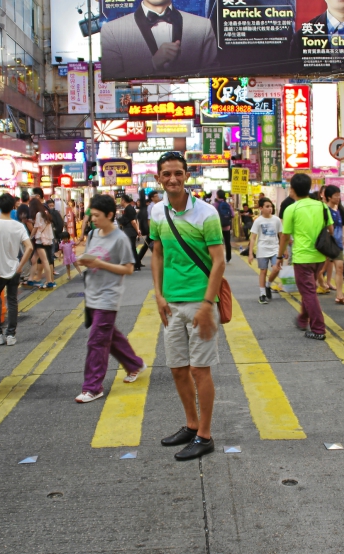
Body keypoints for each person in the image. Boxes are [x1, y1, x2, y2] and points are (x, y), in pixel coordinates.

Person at [150, 151, 224, 461]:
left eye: (178, 173)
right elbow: (157, 253)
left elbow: (219, 261)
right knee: (178, 369)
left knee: (199, 370)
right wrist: (157, 293)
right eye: (166, 174)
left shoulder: (206, 213)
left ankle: (205, 435)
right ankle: (191, 425)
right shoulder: (156, 212)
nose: (173, 179)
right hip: (171, 303)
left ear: (187, 176)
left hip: (199, 301)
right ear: (158, 178)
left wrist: (208, 304)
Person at [75, 195, 147, 403]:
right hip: (92, 294)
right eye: (91, 215)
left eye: (97, 215)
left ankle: (92, 387)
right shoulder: (93, 235)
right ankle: (134, 364)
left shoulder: (120, 239)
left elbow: (128, 268)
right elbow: (91, 258)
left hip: (108, 296)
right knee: (110, 336)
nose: (93, 219)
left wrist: (100, 264)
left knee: (97, 341)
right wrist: (84, 261)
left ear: (109, 215)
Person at [100, 0, 217, 80]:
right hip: (137, 105)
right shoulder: (112, 31)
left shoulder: (202, 26)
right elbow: (111, 77)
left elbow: (215, 74)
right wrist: (153, 63)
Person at [277, 173, 333, 340]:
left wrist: (279, 257)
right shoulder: (322, 206)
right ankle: (302, 319)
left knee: (308, 292)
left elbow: (285, 236)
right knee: (308, 289)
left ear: (292, 189)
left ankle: (318, 329)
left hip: (302, 257)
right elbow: (330, 229)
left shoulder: (291, 209)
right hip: (320, 255)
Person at [0, 193, 32, 346]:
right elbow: (29, 247)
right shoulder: (18, 226)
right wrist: (20, 266)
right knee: (12, 301)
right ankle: (11, 335)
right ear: (12, 208)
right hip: (13, 269)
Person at [322, 185, 344, 305]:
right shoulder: (324, 209)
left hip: (337, 244)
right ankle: (310, 293)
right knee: (320, 270)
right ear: (329, 197)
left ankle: (340, 295)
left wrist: (343, 237)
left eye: (339, 195)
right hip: (326, 244)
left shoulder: (339, 209)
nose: (338, 198)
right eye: (336, 196)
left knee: (339, 268)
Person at [248, 197, 282, 304]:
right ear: (261, 208)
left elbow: (281, 235)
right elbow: (253, 237)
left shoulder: (276, 220)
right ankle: (262, 294)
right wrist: (250, 253)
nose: (270, 208)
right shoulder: (258, 221)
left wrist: (283, 249)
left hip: (275, 248)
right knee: (263, 271)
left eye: (271, 206)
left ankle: (268, 285)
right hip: (262, 249)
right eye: (267, 206)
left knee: (276, 269)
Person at [28, 197, 56, 289]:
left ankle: (49, 282)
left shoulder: (39, 214)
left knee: (44, 261)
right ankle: (31, 279)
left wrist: (30, 237)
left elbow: (36, 228)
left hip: (40, 240)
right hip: (47, 240)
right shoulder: (45, 213)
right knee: (34, 259)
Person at [118, 195, 142, 271]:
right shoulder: (129, 208)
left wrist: (137, 230)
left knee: (131, 248)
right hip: (129, 230)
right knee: (131, 248)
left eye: (121, 200)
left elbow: (133, 221)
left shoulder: (129, 209)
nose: (120, 202)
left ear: (123, 200)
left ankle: (136, 265)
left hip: (130, 231)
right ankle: (136, 264)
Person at [214, 189, 234, 264]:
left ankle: (218, 258)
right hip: (227, 227)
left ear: (217, 195)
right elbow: (233, 215)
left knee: (218, 242)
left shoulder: (215, 205)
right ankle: (228, 258)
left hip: (217, 227)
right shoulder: (227, 204)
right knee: (227, 242)